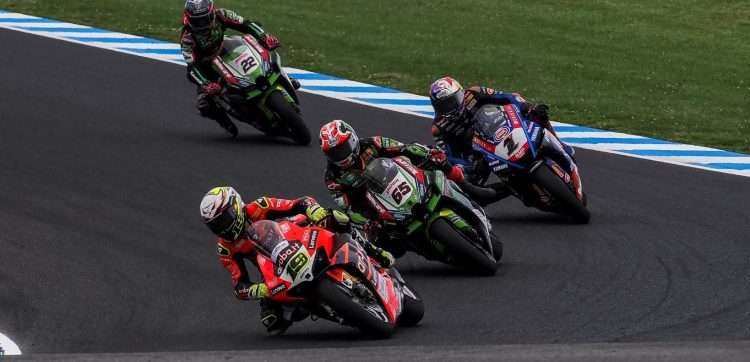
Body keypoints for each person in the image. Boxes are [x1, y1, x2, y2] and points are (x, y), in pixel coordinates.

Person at [199, 186, 394, 334]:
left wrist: (313, 210)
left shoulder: (260, 206)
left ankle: (373, 250)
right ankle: (328, 309)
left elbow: (298, 203)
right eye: (216, 225)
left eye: (224, 219)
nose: (222, 228)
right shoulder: (225, 247)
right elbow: (238, 285)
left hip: (297, 235)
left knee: (336, 218)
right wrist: (257, 290)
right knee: (272, 321)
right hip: (273, 266)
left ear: (235, 207)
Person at [428, 76, 579, 197]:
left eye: (453, 100)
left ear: (461, 93)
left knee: (538, 114)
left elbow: (508, 97)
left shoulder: (474, 93)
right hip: (478, 154)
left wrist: (527, 106)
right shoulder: (440, 128)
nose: (451, 107)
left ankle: (559, 143)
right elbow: (451, 155)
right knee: (469, 189)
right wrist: (462, 167)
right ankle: (510, 189)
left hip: (502, 129)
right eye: (445, 105)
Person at [320, 119, 471, 235]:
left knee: (437, 167)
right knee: (382, 240)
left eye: (342, 148)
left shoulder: (373, 143)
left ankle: (468, 195)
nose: (340, 155)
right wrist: (366, 222)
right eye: (334, 152)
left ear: (352, 140)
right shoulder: (332, 178)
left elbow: (404, 148)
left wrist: (427, 153)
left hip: (402, 179)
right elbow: (348, 208)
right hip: (377, 209)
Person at [181, 0, 296, 137]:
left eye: (205, 19)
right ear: (189, 19)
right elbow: (191, 67)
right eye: (198, 21)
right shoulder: (187, 38)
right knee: (204, 104)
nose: (202, 24)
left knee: (257, 47)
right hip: (207, 67)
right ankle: (223, 119)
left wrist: (264, 36)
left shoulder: (222, 14)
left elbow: (245, 24)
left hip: (225, 47)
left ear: (212, 13)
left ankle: (284, 76)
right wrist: (205, 84)